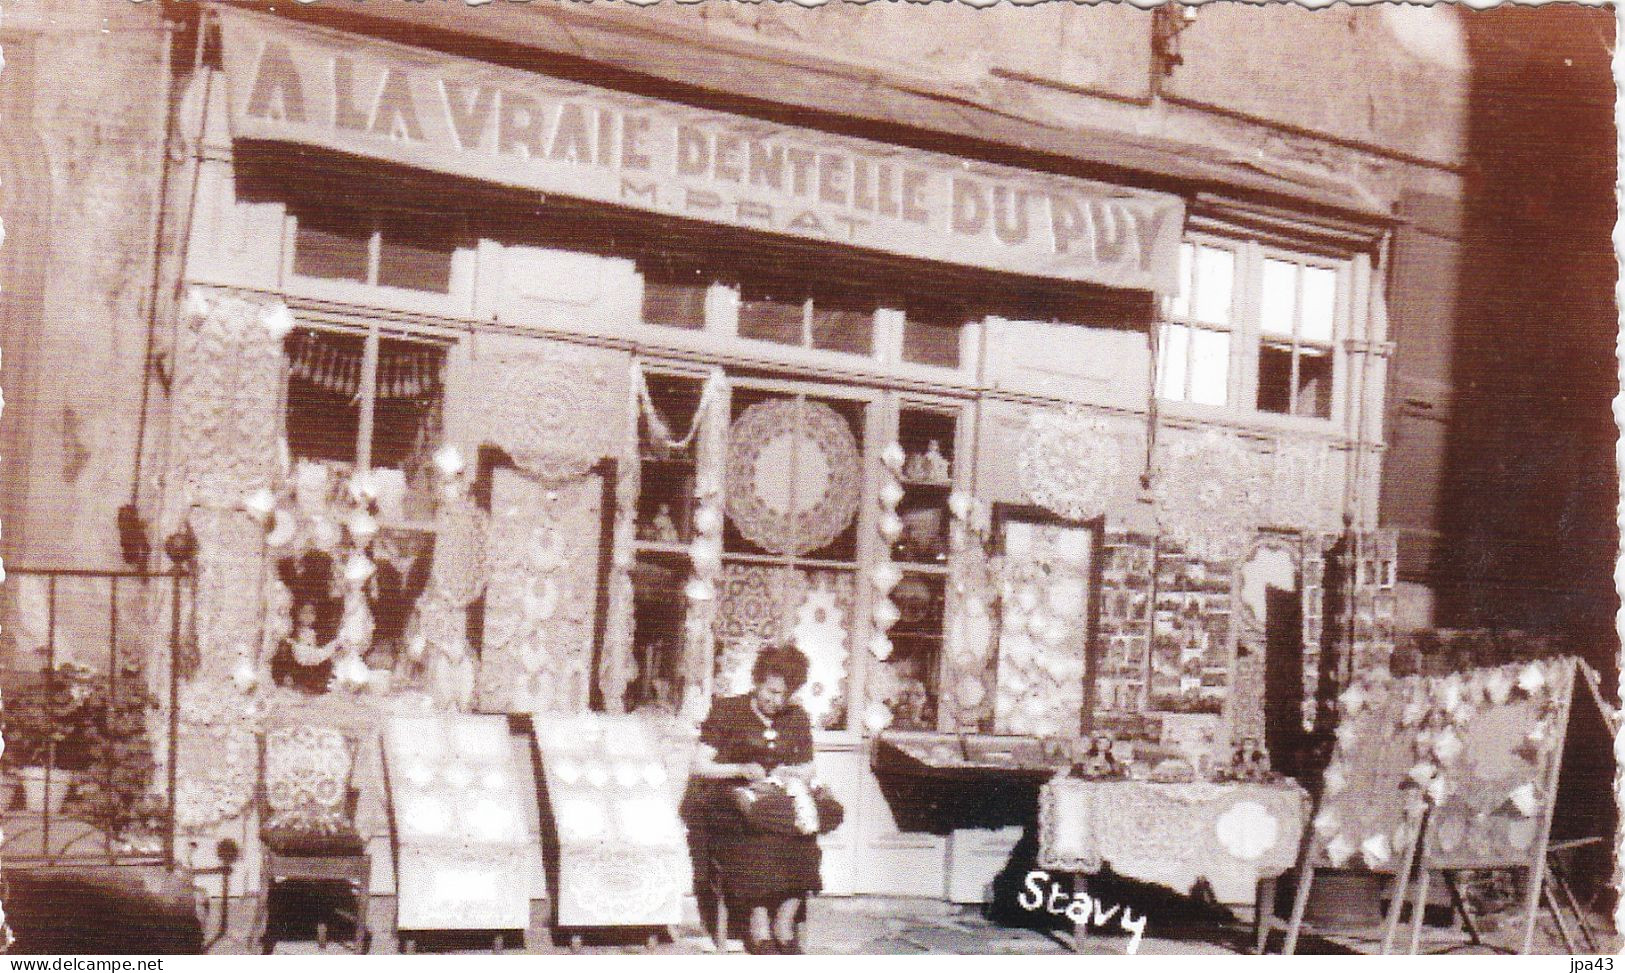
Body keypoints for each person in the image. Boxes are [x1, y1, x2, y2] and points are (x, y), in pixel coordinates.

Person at [680, 645, 820, 953]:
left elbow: (809, 767)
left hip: (775, 800)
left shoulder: (796, 718)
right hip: (730, 801)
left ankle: (784, 919)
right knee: (756, 834)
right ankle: (757, 923)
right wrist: (740, 769)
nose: (775, 700)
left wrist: (790, 772)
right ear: (757, 681)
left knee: (805, 836)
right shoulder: (728, 710)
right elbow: (699, 766)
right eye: (771, 691)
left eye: (784, 694)